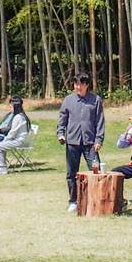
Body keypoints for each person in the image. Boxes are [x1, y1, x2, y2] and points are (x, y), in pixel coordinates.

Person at [56, 71, 105, 212]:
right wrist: (60, 133)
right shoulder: (68, 100)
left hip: (90, 143)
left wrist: (99, 139)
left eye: (80, 84)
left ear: (87, 85)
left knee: (96, 172)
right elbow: (62, 119)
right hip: (72, 141)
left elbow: (100, 122)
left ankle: (97, 199)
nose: (78, 87)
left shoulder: (95, 100)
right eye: (76, 84)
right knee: (71, 173)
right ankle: (73, 201)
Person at [0, 97, 32, 175]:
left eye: (11, 106)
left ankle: (2, 168)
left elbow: (12, 132)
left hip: (19, 141)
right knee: (1, 146)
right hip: (20, 140)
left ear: (15, 107)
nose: (10, 108)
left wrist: (5, 140)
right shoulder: (21, 116)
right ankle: (2, 167)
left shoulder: (18, 117)